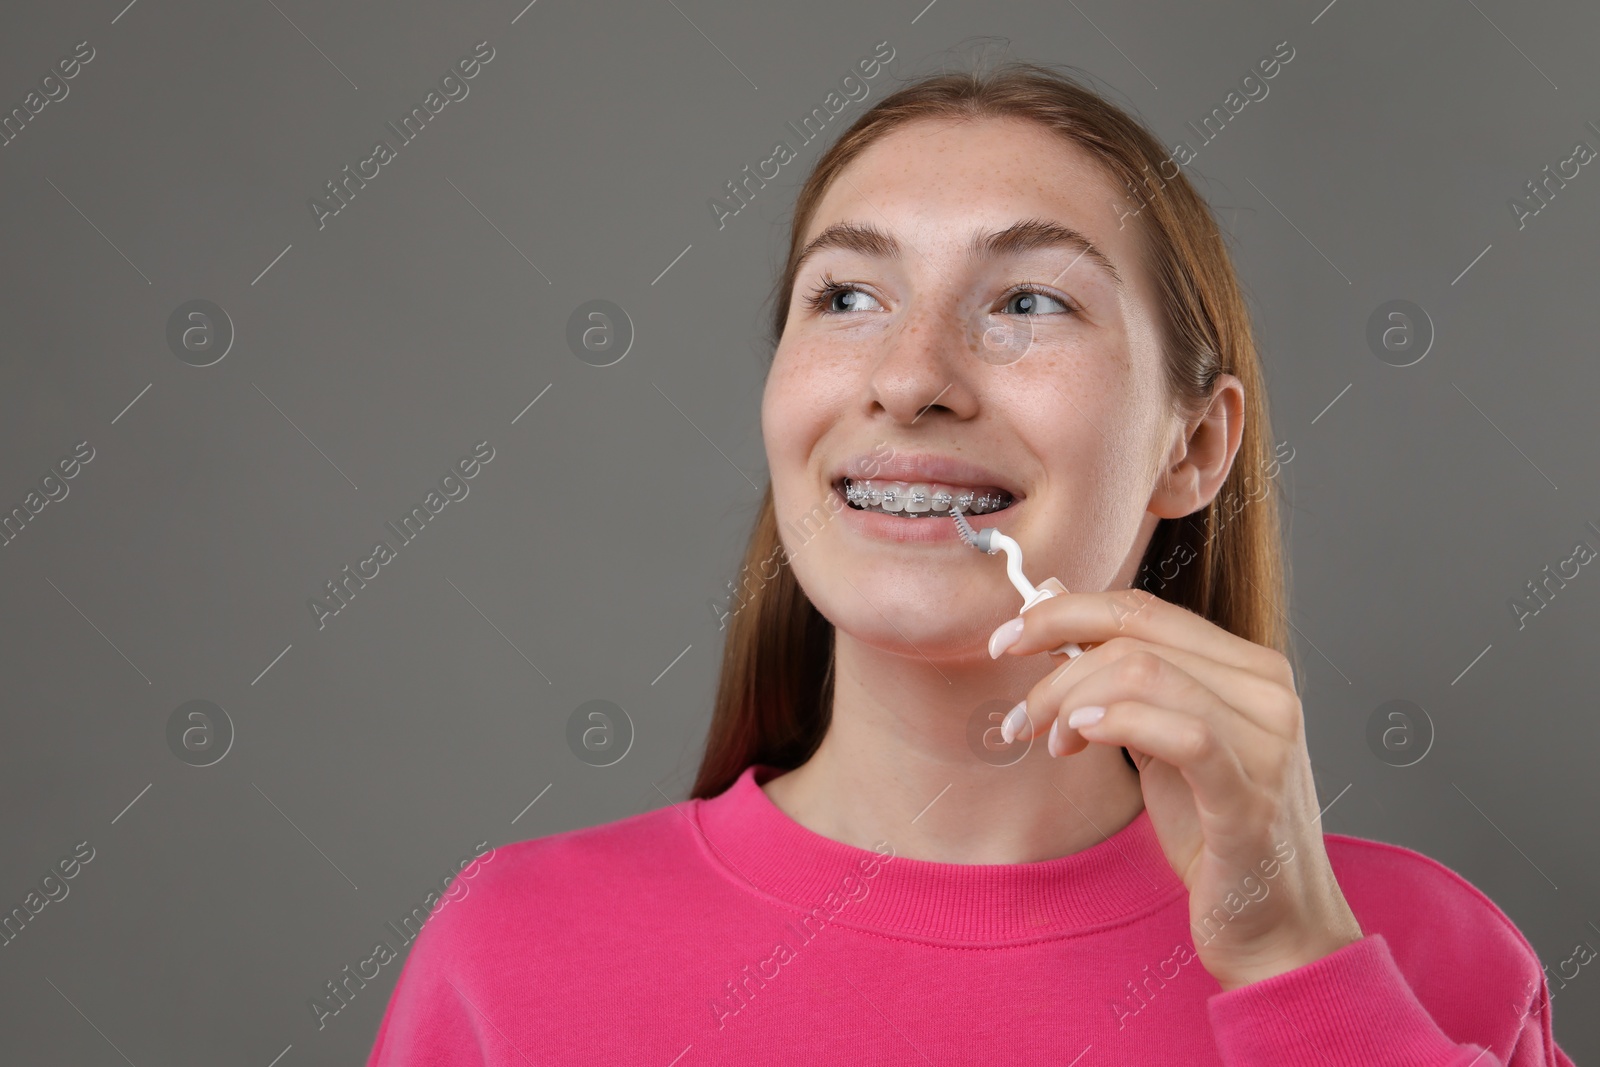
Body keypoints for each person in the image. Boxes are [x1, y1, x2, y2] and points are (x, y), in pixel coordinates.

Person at [365, 57, 1576, 1065]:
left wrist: (1297, 968)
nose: (908, 377)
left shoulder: (1434, 957)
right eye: (845, 296)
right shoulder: (513, 953)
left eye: (1029, 304)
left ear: (1193, 446)